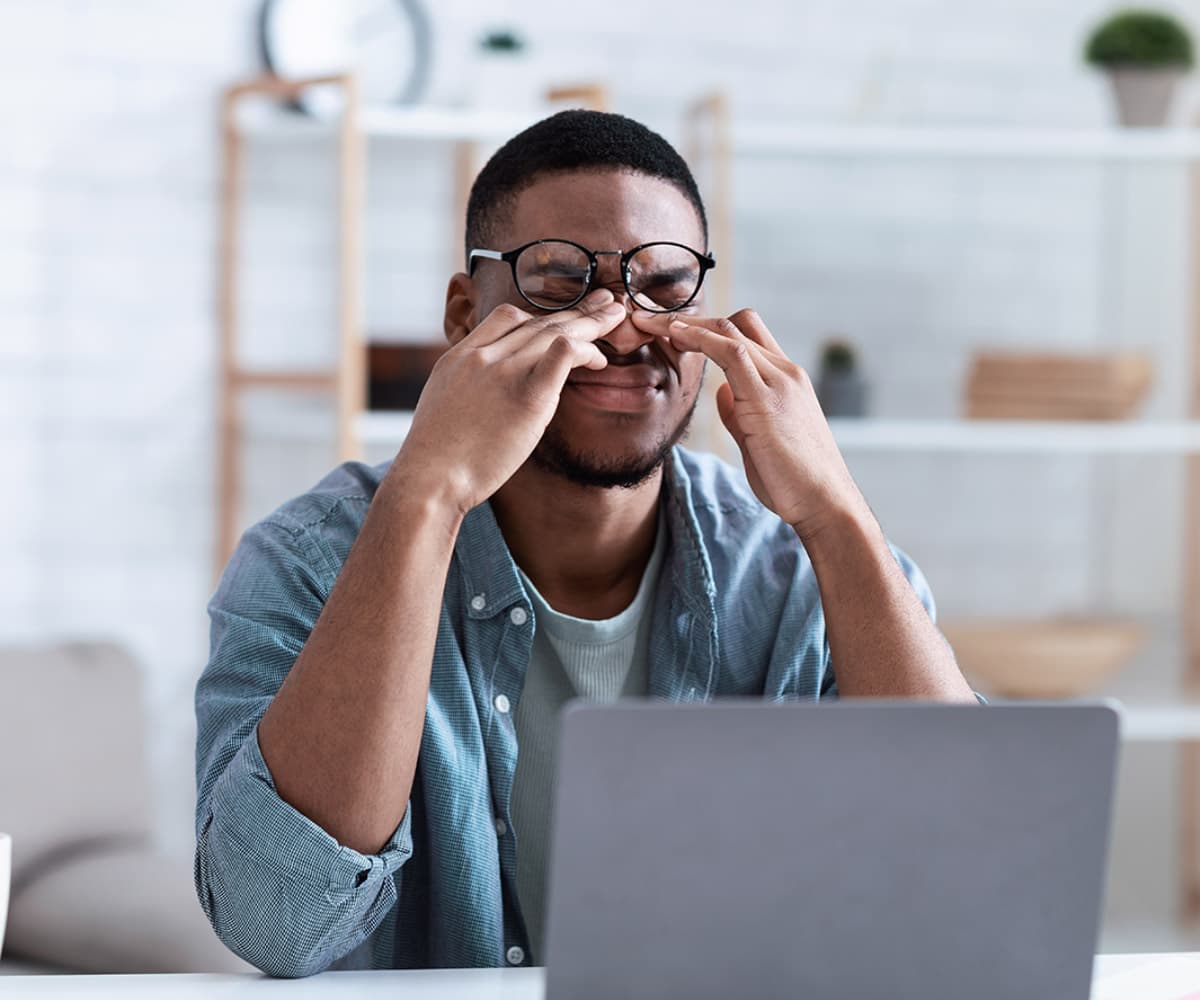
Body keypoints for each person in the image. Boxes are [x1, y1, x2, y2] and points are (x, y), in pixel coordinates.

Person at [194, 109, 976, 979]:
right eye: (562, 281)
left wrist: (837, 514)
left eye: (666, 284)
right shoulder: (307, 561)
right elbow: (278, 923)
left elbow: (967, 893)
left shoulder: (804, 572)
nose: (621, 326)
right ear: (464, 316)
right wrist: (428, 495)